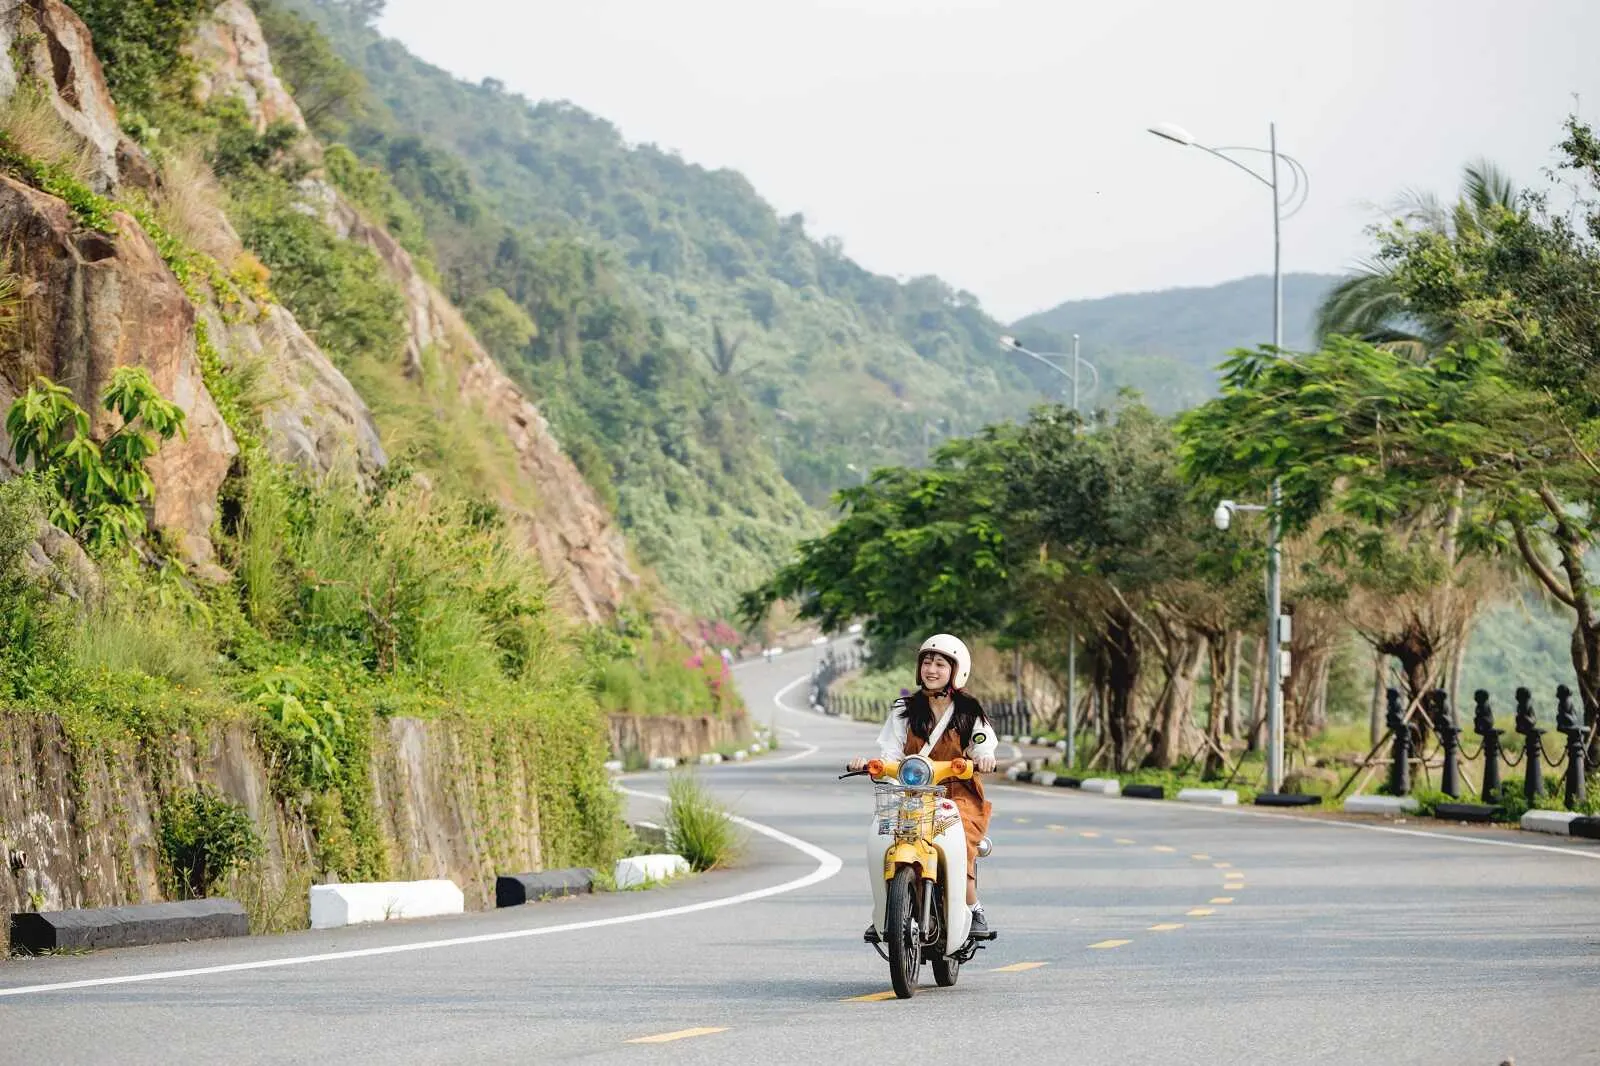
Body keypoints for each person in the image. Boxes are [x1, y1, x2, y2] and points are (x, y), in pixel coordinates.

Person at [849, 633, 997, 936]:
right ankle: (887, 910)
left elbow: (983, 744)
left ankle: (974, 908)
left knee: (963, 845)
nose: (931, 669)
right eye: (927, 662)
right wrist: (875, 766)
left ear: (956, 671)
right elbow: (891, 751)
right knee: (887, 840)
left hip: (958, 795)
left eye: (940, 664)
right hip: (911, 794)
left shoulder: (969, 711)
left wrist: (984, 758)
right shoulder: (904, 708)